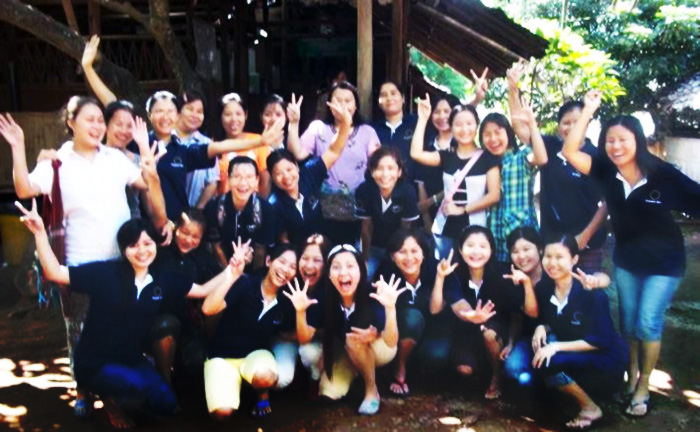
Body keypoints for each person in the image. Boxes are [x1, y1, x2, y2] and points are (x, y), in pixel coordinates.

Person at [17, 205, 242, 429]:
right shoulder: (105, 274)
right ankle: (108, 403)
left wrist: (232, 271)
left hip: (130, 358)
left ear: (156, 244)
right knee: (136, 387)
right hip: (95, 361)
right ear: (124, 249)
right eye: (133, 245)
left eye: (147, 243)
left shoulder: (162, 279)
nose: (142, 251)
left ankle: (125, 394)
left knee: (166, 403)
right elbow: (55, 272)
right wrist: (39, 233)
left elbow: (202, 290)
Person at [562, 89, 700, 417]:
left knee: (648, 321)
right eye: (610, 140)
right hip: (627, 260)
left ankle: (643, 385)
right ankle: (631, 374)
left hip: (665, 262)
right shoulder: (605, 172)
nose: (616, 147)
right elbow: (570, 150)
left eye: (623, 140)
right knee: (629, 324)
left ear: (637, 140)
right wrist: (589, 110)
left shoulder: (661, 175)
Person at [508, 64, 607, 273]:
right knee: (554, 297)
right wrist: (512, 88)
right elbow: (520, 127)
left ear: (587, 123)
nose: (570, 127)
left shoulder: (596, 156)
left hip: (586, 245)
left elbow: (607, 204)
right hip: (552, 242)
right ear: (558, 125)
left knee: (585, 295)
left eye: (577, 122)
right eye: (565, 122)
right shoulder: (550, 146)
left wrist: (583, 237)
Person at [284, 244, 404, 415]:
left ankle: (371, 391)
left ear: (361, 270)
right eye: (336, 267)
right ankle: (357, 372)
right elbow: (304, 339)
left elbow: (391, 341)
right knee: (329, 391)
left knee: (353, 338)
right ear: (329, 274)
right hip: (348, 354)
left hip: (381, 348)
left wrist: (390, 308)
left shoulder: (373, 292)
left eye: (350, 266)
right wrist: (300, 312)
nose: (343, 273)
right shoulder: (325, 297)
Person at [530, 234, 627, 429]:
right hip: (577, 358)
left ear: (574, 259)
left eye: (560, 257)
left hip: (604, 363)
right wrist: (542, 326)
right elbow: (552, 318)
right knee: (539, 368)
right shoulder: (544, 288)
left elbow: (599, 341)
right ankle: (573, 396)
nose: (552, 263)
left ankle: (590, 407)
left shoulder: (590, 294)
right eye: (548, 256)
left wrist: (555, 347)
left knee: (548, 361)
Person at [430, 226, 537, 399]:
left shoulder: (503, 273)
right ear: (460, 249)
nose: (476, 252)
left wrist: (511, 342)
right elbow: (440, 308)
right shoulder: (454, 272)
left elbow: (519, 315)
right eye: (470, 245)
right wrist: (440, 277)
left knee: (489, 333)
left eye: (483, 246)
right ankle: (482, 368)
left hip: (497, 330)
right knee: (464, 370)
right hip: (467, 331)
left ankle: (496, 376)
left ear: (492, 250)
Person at [201, 241, 298, 419]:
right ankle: (233, 388)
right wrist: (232, 275)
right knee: (222, 413)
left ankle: (262, 394)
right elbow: (208, 309)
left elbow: (288, 334)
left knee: (265, 377)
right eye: (282, 262)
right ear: (269, 261)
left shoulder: (287, 301)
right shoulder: (246, 283)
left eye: (292, 267)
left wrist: (302, 312)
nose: (285, 270)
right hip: (223, 355)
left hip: (255, 356)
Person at [289, 81, 380, 245]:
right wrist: (294, 123)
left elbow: (378, 166)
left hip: (359, 208)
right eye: (337, 100)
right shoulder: (318, 129)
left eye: (348, 100)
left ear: (356, 105)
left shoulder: (368, 132)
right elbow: (298, 153)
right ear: (329, 105)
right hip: (323, 209)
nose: (343, 105)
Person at [411, 97, 501, 259]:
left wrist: (463, 209)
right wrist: (423, 119)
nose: (464, 129)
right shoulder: (447, 155)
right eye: (458, 124)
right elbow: (416, 154)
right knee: (443, 275)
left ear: (476, 125)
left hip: (476, 231)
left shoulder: (488, 158)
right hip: (444, 230)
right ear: (451, 128)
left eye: (469, 124)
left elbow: (494, 195)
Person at [373, 229, 454, 397]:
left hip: (432, 328)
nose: (409, 258)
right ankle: (399, 367)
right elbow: (377, 310)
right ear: (392, 256)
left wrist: (439, 278)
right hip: (402, 329)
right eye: (402, 252)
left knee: (436, 356)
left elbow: (435, 309)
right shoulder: (385, 272)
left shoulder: (436, 268)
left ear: (423, 253)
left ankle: (417, 366)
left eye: (414, 251)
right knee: (412, 318)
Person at [267, 94, 350, 245]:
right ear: (272, 178)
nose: (286, 177)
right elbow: (283, 240)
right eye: (278, 173)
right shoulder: (275, 205)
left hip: (322, 245)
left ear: (297, 167)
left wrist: (345, 123)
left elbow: (333, 151)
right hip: (297, 255)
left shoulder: (309, 174)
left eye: (289, 169)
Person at [150, 209, 221, 383]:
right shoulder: (160, 254)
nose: (188, 240)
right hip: (160, 325)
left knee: (196, 366)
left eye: (195, 237)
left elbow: (217, 287)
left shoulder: (204, 259)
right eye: (184, 232)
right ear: (175, 229)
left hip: (191, 326)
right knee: (166, 325)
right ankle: (164, 383)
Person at [479, 95, 548, 268]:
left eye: (497, 132)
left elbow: (541, 158)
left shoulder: (521, 157)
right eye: (487, 134)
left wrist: (532, 125)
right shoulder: (483, 163)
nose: (493, 139)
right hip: (495, 240)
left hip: (523, 242)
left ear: (508, 133)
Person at [272, 233, 334, 396]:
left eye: (317, 260)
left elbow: (308, 336)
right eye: (305, 258)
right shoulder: (288, 280)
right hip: (285, 338)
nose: (309, 265)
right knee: (281, 380)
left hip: (309, 340)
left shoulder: (328, 288)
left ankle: (313, 377)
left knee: (308, 352)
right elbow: (278, 331)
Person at [355, 146, 420, 277]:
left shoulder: (408, 192)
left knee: (399, 277)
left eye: (391, 168)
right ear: (372, 171)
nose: (385, 174)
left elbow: (405, 230)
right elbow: (366, 229)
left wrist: (396, 256)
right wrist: (365, 260)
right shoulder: (364, 190)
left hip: (397, 247)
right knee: (364, 277)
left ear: (399, 172)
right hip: (371, 246)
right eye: (379, 168)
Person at [203, 156, 276, 270]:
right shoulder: (214, 208)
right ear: (228, 179)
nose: (243, 183)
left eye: (249, 177)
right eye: (237, 176)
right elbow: (216, 247)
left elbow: (261, 250)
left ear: (257, 180)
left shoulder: (266, 210)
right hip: (221, 270)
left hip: (253, 268)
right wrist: (229, 274)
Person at [414, 94, 458, 233]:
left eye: (447, 111)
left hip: (453, 215)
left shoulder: (461, 144)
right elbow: (420, 182)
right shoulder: (426, 143)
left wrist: (430, 201)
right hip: (426, 219)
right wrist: (426, 219)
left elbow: (458, 183)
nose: (441, 116)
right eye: (437, 111)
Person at [216, 92, 273, 197]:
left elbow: (265, 178)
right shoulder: (215, 146)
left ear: (245, 115)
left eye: (238, 114)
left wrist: (261, 207)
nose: (234, 119)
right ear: (220, 117)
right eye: (228, 114)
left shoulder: (258, 141)